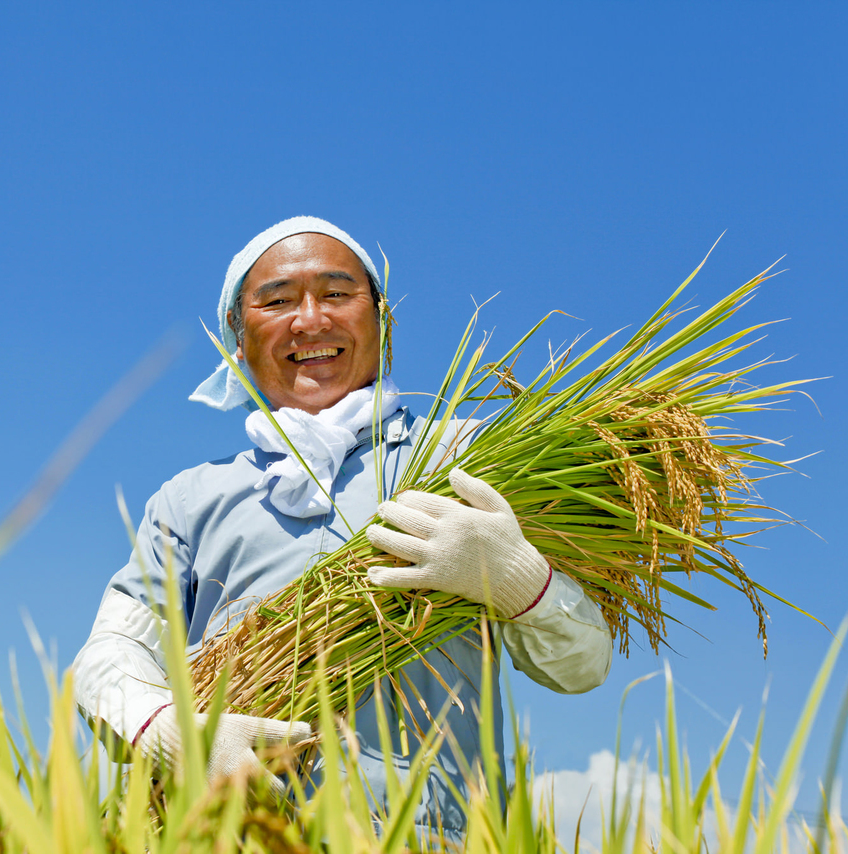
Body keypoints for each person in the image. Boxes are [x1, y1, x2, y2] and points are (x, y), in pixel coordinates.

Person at [72, 216, 611, 835]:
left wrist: (519, 579)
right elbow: (109, 655)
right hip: (238, 835)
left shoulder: (466, 458)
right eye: (276, 302)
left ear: (382, 320)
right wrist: (170, 728)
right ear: (237, 338)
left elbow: (582, 666)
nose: (310, 321)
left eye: (336, 294)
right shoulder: (191, 500)